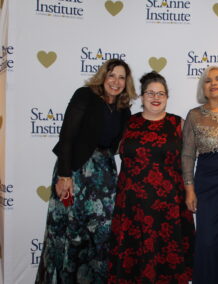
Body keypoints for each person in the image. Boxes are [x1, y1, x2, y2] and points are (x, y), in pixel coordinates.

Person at [36, 58, 137, 283]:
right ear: (103, 76)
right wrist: (64, 175)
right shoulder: (85, 96)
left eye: (122, 77)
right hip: (75, 172)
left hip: (104, 178)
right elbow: (67, 136)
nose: (116, 81)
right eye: (112, 75)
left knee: (102, 234)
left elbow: (122, 145)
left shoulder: (124, 109)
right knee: (71, 231)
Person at [107, 71, 195, 283]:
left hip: (169, 207)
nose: (156, 98)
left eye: (161, 94)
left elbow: (190, 160)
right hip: (132, 208)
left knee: (167, 262)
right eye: (150, 93)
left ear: (167, 97)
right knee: (133, 262)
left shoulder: (180, 124)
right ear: (141, 97)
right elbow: (105, 146)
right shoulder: (127, 123)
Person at [182, 66, 218, 284]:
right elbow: (187, 155)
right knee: (207, 242)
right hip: (208, 186)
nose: (213, 83)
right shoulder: (194, 116)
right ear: (202, 88)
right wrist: (189, 189)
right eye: (208, 80)